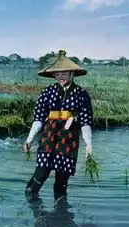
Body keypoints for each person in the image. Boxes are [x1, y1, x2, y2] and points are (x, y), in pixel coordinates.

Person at [23, 50, 94, 201]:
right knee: (41, 172)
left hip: (68, 140)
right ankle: (33, 206)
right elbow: (38, 119)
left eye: (64, 73)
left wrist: (89, 145)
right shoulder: (47, 93)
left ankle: (61, 216)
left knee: (62, 180)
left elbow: (86, 122)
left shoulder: (81, 94)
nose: (60, 77)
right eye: (57, 74)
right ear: (53, 75)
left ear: (71, 73)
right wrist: (29, 139)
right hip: (48, 138)